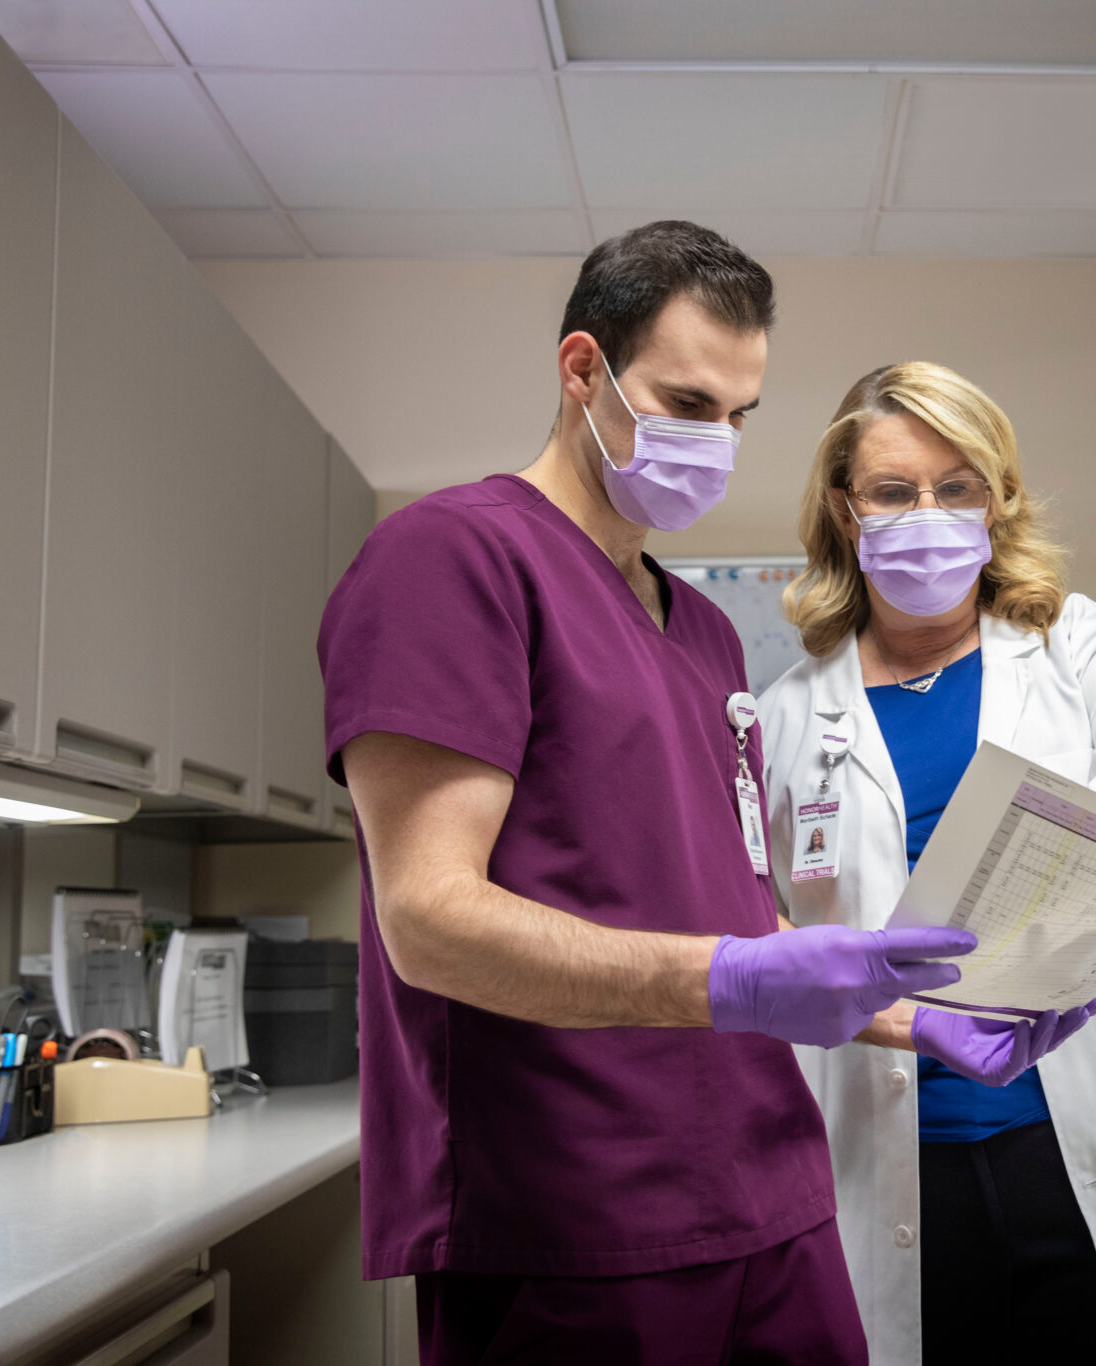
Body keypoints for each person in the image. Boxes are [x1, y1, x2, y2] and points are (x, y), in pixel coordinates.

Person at [318, 223, 987, 1366]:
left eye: (738, 416)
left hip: (770, 1189)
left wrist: (914, 1018)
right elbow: (427, 921)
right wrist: (733, 978)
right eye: (685, 403)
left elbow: (723, 919)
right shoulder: (452, 559)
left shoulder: (711, 636)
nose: (715, 442)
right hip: (574, 1217)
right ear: (582, 369)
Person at [758, 362, 1096, 1366]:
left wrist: (1075, 896)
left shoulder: (1082, 647)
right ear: (846, 510)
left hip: (1075, 1151)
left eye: (957, 486)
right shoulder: (785, 718)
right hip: (888, 1163)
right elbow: (757, 934)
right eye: (893, 491)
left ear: (996, 502)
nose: (925, 513)